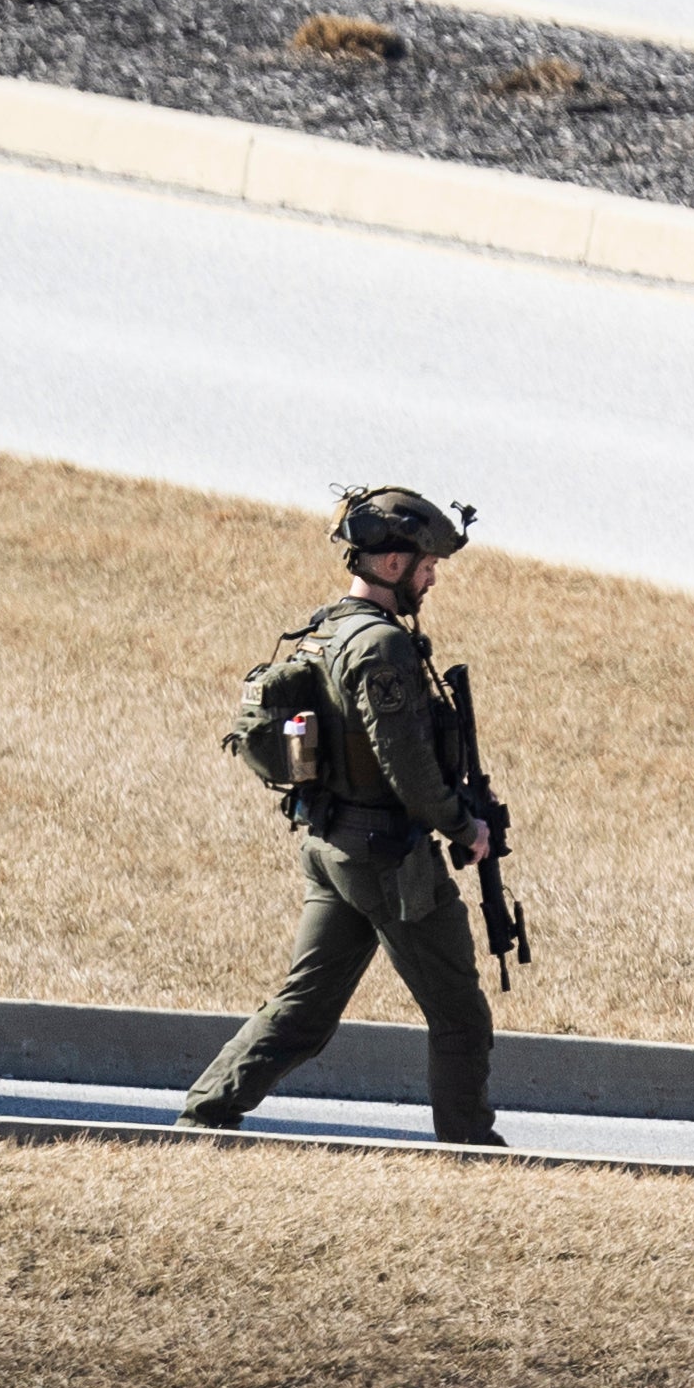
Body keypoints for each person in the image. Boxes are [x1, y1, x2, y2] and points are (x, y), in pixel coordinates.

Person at [182, 488, 500, 1147]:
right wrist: (460, 825)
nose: (431, 575)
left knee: (304, 1009)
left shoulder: (329, 629)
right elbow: (403, 763)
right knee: (460, 1017)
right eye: (424, 563)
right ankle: (471, 1151)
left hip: (335, 848)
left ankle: (203, 1114)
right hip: (386, 860)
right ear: (390, 565)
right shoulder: (380, 648)